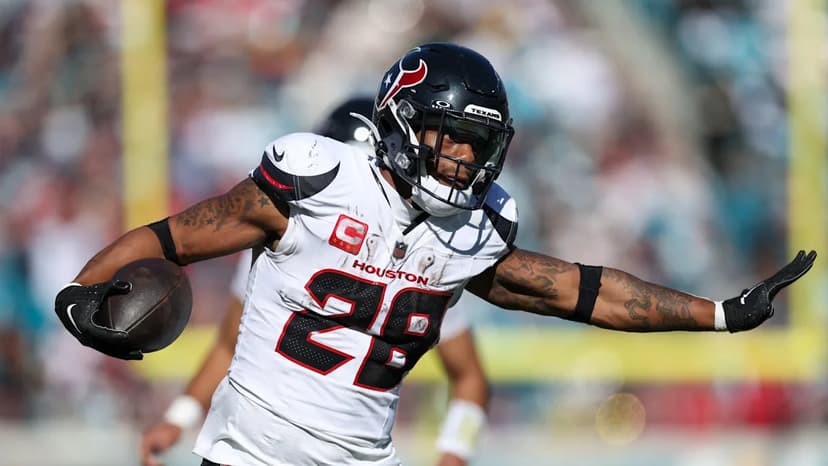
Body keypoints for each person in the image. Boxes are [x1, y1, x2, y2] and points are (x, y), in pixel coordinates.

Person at [55, 43, 816, 466]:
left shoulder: (469, 235)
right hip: (251, 456)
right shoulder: (318, 180)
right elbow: (172, 237)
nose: (461, 159)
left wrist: (717, 314)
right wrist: (81, 289)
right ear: (400, 123)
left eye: (476, 146)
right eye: (447, 138)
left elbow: (583, 292)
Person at [139, 98, 489, 466]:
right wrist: (178, 419)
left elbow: (469, 377)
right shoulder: (283, 238)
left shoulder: (424, 268)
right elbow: (230, 345)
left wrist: (455, 454)